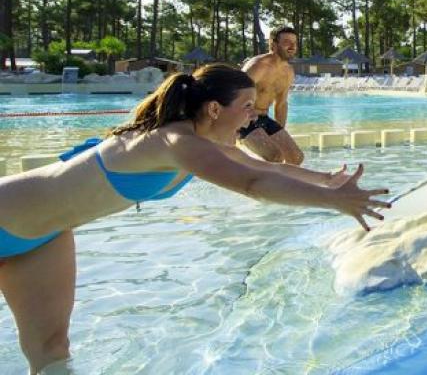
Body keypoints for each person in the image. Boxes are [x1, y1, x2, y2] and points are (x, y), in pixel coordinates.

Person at [0, 64, 389, 373]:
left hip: (43, 238)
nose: (252, 119)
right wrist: (333, 201)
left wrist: (327, 181)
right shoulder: (174, 142)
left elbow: (266, 169)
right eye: (247, 108)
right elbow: (252, 183)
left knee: (52, 352)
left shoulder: (200, 144)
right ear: (215, 109)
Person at [240, 26, 304, 164]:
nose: (292, 46)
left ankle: (286, 185)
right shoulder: (258, 66)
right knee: (275, 156)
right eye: (287, 41)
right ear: (273, 45)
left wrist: (280, 132)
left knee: (296, 157)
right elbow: (235, 93)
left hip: (263, 118)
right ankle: (264, 184)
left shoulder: (288, 72)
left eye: (295, 42)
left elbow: (281, 105)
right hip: (242, 119)